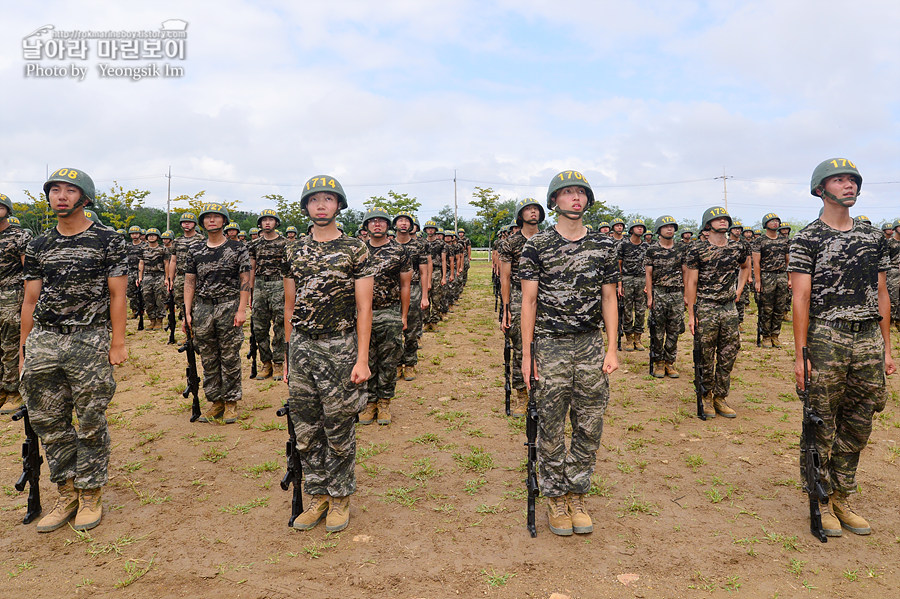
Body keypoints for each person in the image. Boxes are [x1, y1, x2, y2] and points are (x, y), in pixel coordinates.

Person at [791, 158, 895, 537]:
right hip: (826, 335)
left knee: (859, 419)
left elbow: (882, 292)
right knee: (821, 421)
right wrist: (801, 355)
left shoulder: (873, 238)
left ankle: (842, 495)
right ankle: (819, 499)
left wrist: (886, 347)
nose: (848, 185)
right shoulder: (807, 238)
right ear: (821, 188)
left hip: (867, 336)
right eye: (839, 180)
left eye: (852, 180)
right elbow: (799, 299)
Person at [21, 168, 127, 532]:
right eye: (55, 190)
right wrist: (24, 350)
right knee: (48, 421)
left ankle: (91, 492)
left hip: (89, 339)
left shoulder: (108, 240)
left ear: (85, 198)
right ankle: (66, 492)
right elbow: (30, 299)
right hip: (45, 340)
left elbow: (117, 294)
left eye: (70, 190)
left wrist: (117, 342)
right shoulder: (37, 246)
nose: (61, 196)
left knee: (91, 418)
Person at [520, 170, 619, 537]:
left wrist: (612, 347)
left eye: (581, 193)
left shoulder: (605, 246)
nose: (575, 198)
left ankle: (577, 492)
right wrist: (528, 356)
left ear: (587, 200)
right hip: (550, 344)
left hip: (591, 343)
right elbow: (528, 302)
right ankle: (555, 496)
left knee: (589, 422)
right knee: (549, 422)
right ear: (555, 202)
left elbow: (609, 298)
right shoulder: (537, 246)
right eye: (567, 193)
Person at [283, 175, 373, 533]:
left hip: (340, 345)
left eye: (328, 199)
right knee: (306, 428)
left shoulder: (355, 249)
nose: (321, 205)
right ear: (306, 206)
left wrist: (362, 359)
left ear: (339, 205)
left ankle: (340, 497)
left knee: (338, 426)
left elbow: (364, 308)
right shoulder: (292, 250)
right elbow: (290, 305)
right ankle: (317, 495)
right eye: (314, 200)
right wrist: (289, 356)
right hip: (302, 345)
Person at [183, 204, 250, 425]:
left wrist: (242, 309)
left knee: (229, 355)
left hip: (228, 306)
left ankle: (231, 402)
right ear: (202, 222)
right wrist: (187, 312)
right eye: (208, 217)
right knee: (208, 356)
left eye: (216, 217)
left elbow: (245, 280)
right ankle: (216, 401)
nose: (212, 220)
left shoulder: (237, 248)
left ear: (224, 221)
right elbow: (190, 282)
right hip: (203, 308)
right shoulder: (195, 250)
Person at [684, 206, 750, 419]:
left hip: (729, 307)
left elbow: (745, 266)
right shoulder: (697, 250)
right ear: (707, 224)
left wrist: (739, 289)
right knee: (705, 354)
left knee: (729, 353)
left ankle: (720, 397)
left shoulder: (737, 247)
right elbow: (692, 281)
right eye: (718, 219)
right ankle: (705, 395)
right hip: (706, 306)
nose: (723, 222)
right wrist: (692, 314)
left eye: (725, 219)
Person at [358, 207, 411, 426]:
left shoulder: (399, 250)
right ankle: (369, 402)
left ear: (387, 225)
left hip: (389, 312)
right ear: (366, 226)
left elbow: (405, 285)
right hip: (362, 314)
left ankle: (384, 401)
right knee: (365, 358)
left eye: (381, 221)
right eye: (372, 221)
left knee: (389, 360)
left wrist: (404, 316)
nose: (377, 224)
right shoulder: (358, 251)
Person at [499, 198, 544, 416]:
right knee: (520, 344)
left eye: (536, 209)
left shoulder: (549, 239)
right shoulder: (510, 243)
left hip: (545, 296)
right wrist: (506, 309)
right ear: (520, 215)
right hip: (518, 294)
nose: (533, 212)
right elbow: (505, 277)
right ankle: (521, 395)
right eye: (528, 209)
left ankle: (544, 391)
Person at [0, 193, 32, 414]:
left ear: (7, 210)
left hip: (12, 297)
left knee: (11, 344)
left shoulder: (20, 236)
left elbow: (29, 273)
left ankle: (14, 391)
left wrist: (28, 302)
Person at [248, 208, 287, 380]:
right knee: (259, 327)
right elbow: (252, 268)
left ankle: (279, 362)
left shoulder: (285, 243)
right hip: (259, 285)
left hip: (279, 284)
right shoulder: (254, 244)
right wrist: (250, 291)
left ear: (276, 223)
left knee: (280, 326)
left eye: (271, 220)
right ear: (260, 224)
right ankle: (266, 362)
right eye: (264, 220)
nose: (267, 223)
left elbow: (289, 270)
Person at [644, 215, 684, 378]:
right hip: (659, 292)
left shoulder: (681, 248)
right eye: (666, 226)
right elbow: (648, 274)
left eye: (672, 226)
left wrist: (687, 295)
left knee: (674, 330)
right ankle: (658, 362)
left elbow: (686, 272)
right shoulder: (652, 249)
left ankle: (670, 362)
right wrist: (649, 296)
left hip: (677, 293)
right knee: (657, 331)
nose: (670, 229)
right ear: (659, 230)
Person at [394, 212, 429, 381]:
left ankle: (409, 364)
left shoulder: (418, 246)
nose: (403, 224)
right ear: (395, 224)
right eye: (400, 220)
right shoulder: (389, 245)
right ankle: (395, 364)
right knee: (393, 330)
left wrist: (424, 295)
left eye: (406, 221)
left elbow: (423, 272)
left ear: (411, 225)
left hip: (414, 289)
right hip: (392, 292)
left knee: (412, 329)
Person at [752, 213, 791, 347]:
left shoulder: (784, 240)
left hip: (782, 276)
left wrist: (789, 279)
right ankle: (766, 336)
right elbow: (756, 263)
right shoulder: (759, 241)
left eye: (777, 221)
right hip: (767, 276)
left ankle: (775, 335)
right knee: (766, 308)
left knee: (779, 307)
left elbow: (788, 261)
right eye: (772, 221)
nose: (775, 223)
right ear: (765, 224)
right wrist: (758, 281)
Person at [168, 212, 205, 331]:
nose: (187, 224)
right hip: (181, 277)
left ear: (195, 224)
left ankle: (197, 331)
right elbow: (173, 261)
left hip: (197, 277)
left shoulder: (201, 240)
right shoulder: (177, 241)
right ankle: (188, 333)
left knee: (197, 304)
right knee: (183, 305)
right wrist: (170, 279)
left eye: (189, 222)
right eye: (184, 222)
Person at [618, 218, 649, 351]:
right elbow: (618, 265)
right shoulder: (623, 245)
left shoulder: (646, 246)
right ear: (631, 230)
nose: (640, 229)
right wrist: (619, 284)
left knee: (641, 310)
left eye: (642, 227)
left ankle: (638, 338)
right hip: (627, 279)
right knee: (627, 310)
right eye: (637, 227)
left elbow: (649, 267)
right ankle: (629, 338)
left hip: (641, 279)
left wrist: (648, 284)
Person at [138, 228, 168, 330]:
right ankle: (152, 320)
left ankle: (159, 321)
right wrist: (140, 277)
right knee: (147, 298)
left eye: (153, 235)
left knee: (160, 298)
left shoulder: (162, 250)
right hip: (147, 276)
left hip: (159, 275)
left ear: (158, 237)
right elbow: (141, 263)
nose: (151, 236)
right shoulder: (143, 249)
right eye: (149, 235)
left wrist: (167, 278)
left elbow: (166, 264)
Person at [125, 225, 144, 319]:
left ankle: (143, 310)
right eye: (132, 234)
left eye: (136, 233)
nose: (134, 235)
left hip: (141, 272)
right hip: (130, 271)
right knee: (131, 293)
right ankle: (134, 310)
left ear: (140, 234)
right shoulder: (127, 246)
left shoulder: (144, 246)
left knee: (142, 292)